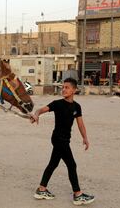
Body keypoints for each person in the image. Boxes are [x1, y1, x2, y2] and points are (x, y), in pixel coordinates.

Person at [30, 78, 94, 206]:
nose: (63, 89)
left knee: (53, 164)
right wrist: (36, 115)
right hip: (59, 139)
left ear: (74, 90)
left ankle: (42, 189)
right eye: (62, 87)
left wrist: (85, 138)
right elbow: (40, 110)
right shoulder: (57, 103)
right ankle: (78, 194)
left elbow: (80, 124)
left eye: (67, 87)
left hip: (64, 139)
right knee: (72, 165)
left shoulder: (77, 107)